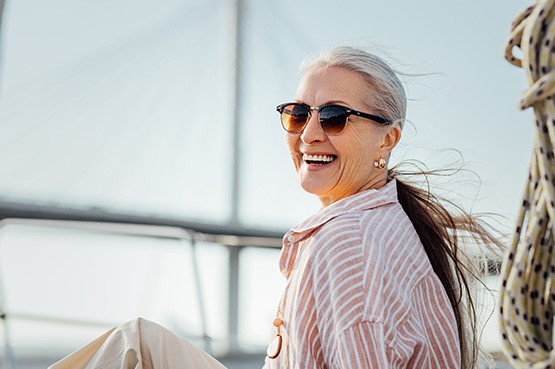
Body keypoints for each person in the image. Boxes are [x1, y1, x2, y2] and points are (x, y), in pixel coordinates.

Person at [50, 46, 500, 369]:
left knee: (131, 349)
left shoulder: (347, 244)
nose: (309, 135)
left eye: (335, 117)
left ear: (387, 138)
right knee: (139, 341)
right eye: (299, 114)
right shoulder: (385, 221)